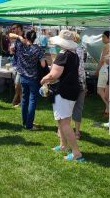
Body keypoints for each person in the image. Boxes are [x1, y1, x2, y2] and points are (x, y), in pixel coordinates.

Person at [41, 30, 84, 162]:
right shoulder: (73, 54)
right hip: (71, 90)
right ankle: (63, 145)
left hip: (64, 91)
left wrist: (43, 80)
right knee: (61, 119)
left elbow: (54, 74)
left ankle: (76, 152)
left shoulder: (63, 55)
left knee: (64, 122)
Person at [10, 30, 46, 130]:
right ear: (34, 38)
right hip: (33, 77)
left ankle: (25, 121)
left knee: (25, 99)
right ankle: (29, 124)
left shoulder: (21, 46)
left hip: (23, 77)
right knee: (32, 100)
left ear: (26, 37)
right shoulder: (38, 49)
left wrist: (20, 38)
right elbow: (43, 65)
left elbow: (10, 35)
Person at [72, 32, 87, 139]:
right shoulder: (81, 49)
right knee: (79, 107)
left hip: (71, 82)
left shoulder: (70, 51)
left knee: (67, 107)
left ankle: (62, 130)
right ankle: (77, 132)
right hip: (81, 81)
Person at [95, 31, 110, 116]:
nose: (102, 39)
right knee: (106, 91)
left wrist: (97, 70)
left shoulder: (106, 46)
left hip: (104, 70)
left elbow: (101, 61)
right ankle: (107, 109)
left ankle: (109, 107)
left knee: (100, 90)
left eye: (103, 37)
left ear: (108, 37)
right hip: (108, 70)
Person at [10, 23, 24, 107]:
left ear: (19, 28)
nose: (13, 30)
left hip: (22, 65)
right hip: (16, 64)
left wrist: (18, 37)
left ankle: (18, 100)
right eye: (12, 28)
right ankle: (19, 100)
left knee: (18, 84)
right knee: (17, 85)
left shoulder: (24, 37)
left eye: (14, 28)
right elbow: (15, 52)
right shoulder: (17, 39)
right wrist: (12, 50)